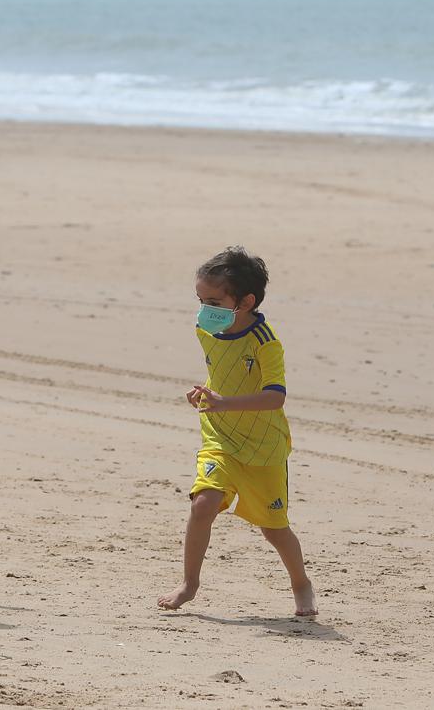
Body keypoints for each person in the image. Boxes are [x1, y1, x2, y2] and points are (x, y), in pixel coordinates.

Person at [158, 247, 317, 617]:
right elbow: (222, 373)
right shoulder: (205, 328)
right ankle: (189, 584)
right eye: (200, 300)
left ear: (246, 301)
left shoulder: (265, 341)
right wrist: (205, 393)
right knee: (203, 504)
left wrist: (225, 401)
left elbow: (275, 398)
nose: (204, 310)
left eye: (213, 301)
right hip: (219, 437)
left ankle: (300, 583)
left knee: (274, 530)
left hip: (263, 448)